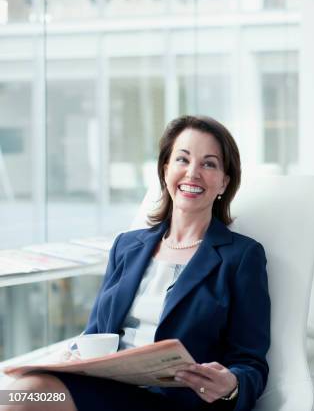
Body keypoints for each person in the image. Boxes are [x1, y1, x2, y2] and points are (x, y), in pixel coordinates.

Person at [2, 115, 271, 411]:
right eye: (183, 159)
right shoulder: (127, 246)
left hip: (178, 401)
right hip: (109, 390)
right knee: (20, 393)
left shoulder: (242, 256)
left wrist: (231, 384)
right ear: (166, 170)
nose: (192, 173)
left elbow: (251, 362)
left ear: (224, 182)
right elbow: (96, 333)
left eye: (209, 164)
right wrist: (74, 355)